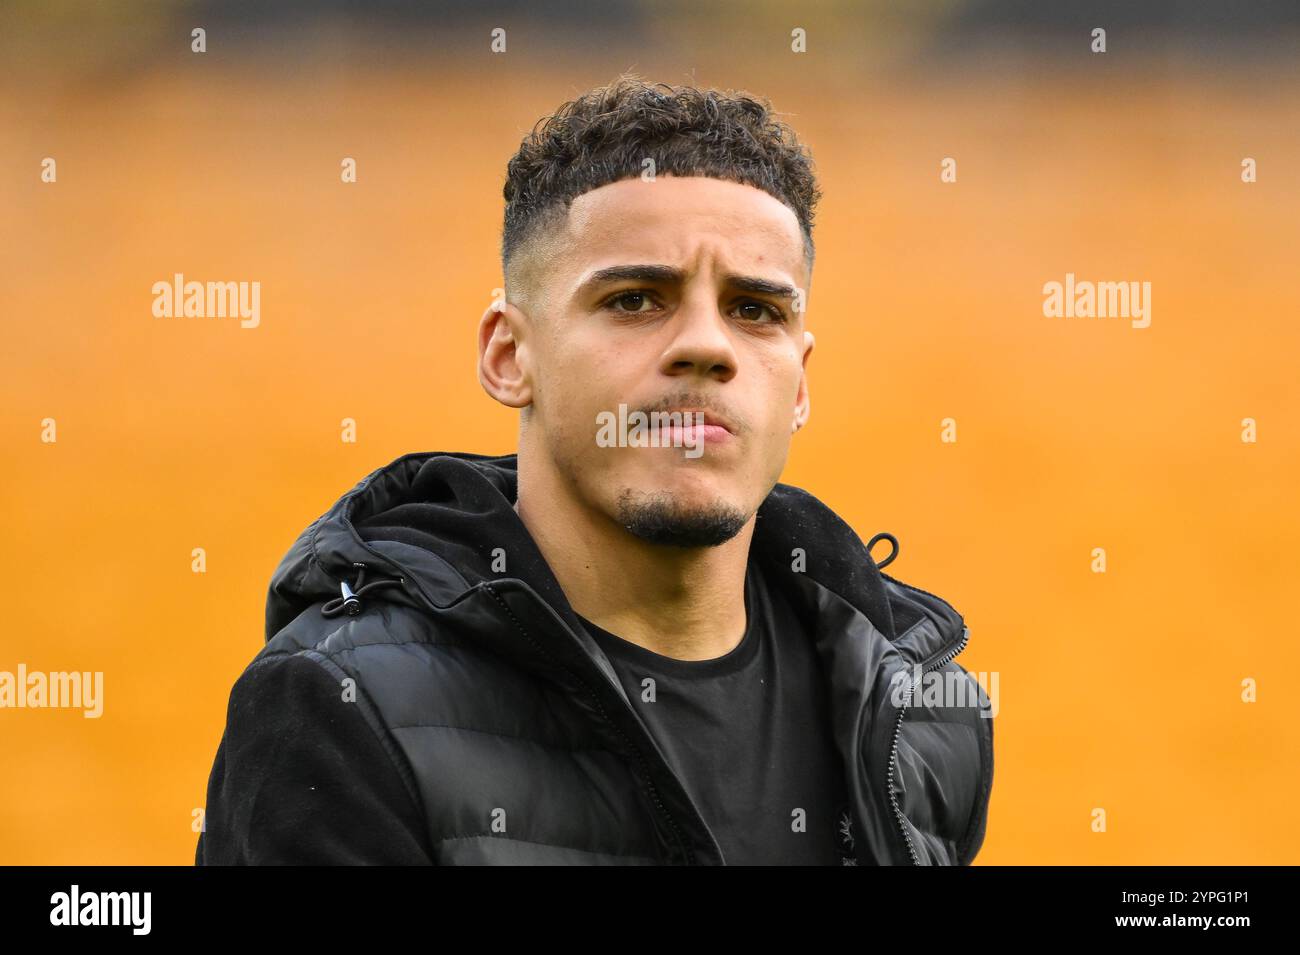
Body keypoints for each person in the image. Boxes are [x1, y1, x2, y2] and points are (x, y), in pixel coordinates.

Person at [196, 74, 993, 866]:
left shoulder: (914, 712)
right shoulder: (340, 711)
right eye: (636, 299)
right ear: (510, 356)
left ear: (801, 384)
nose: (708, 346)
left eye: (756, 310)